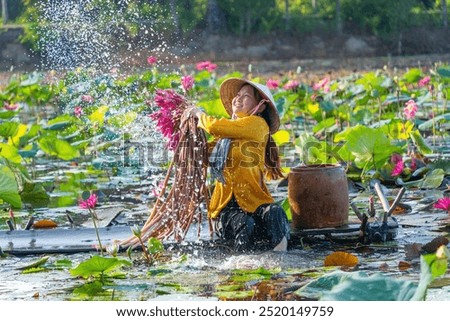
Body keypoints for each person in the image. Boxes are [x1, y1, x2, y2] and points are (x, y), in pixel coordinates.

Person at [187, 78, 290, 252]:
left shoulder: (257, 125)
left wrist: (198, 114)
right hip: (228, 208)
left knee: (275, 213)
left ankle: (281, 258)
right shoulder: (225, 138)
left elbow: (213, 126)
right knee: (244, 223)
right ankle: (242, 265)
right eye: (237, 95)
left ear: (261, 106)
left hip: (256, 203)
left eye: (246, 96)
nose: (238, 99)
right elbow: (204, 154)